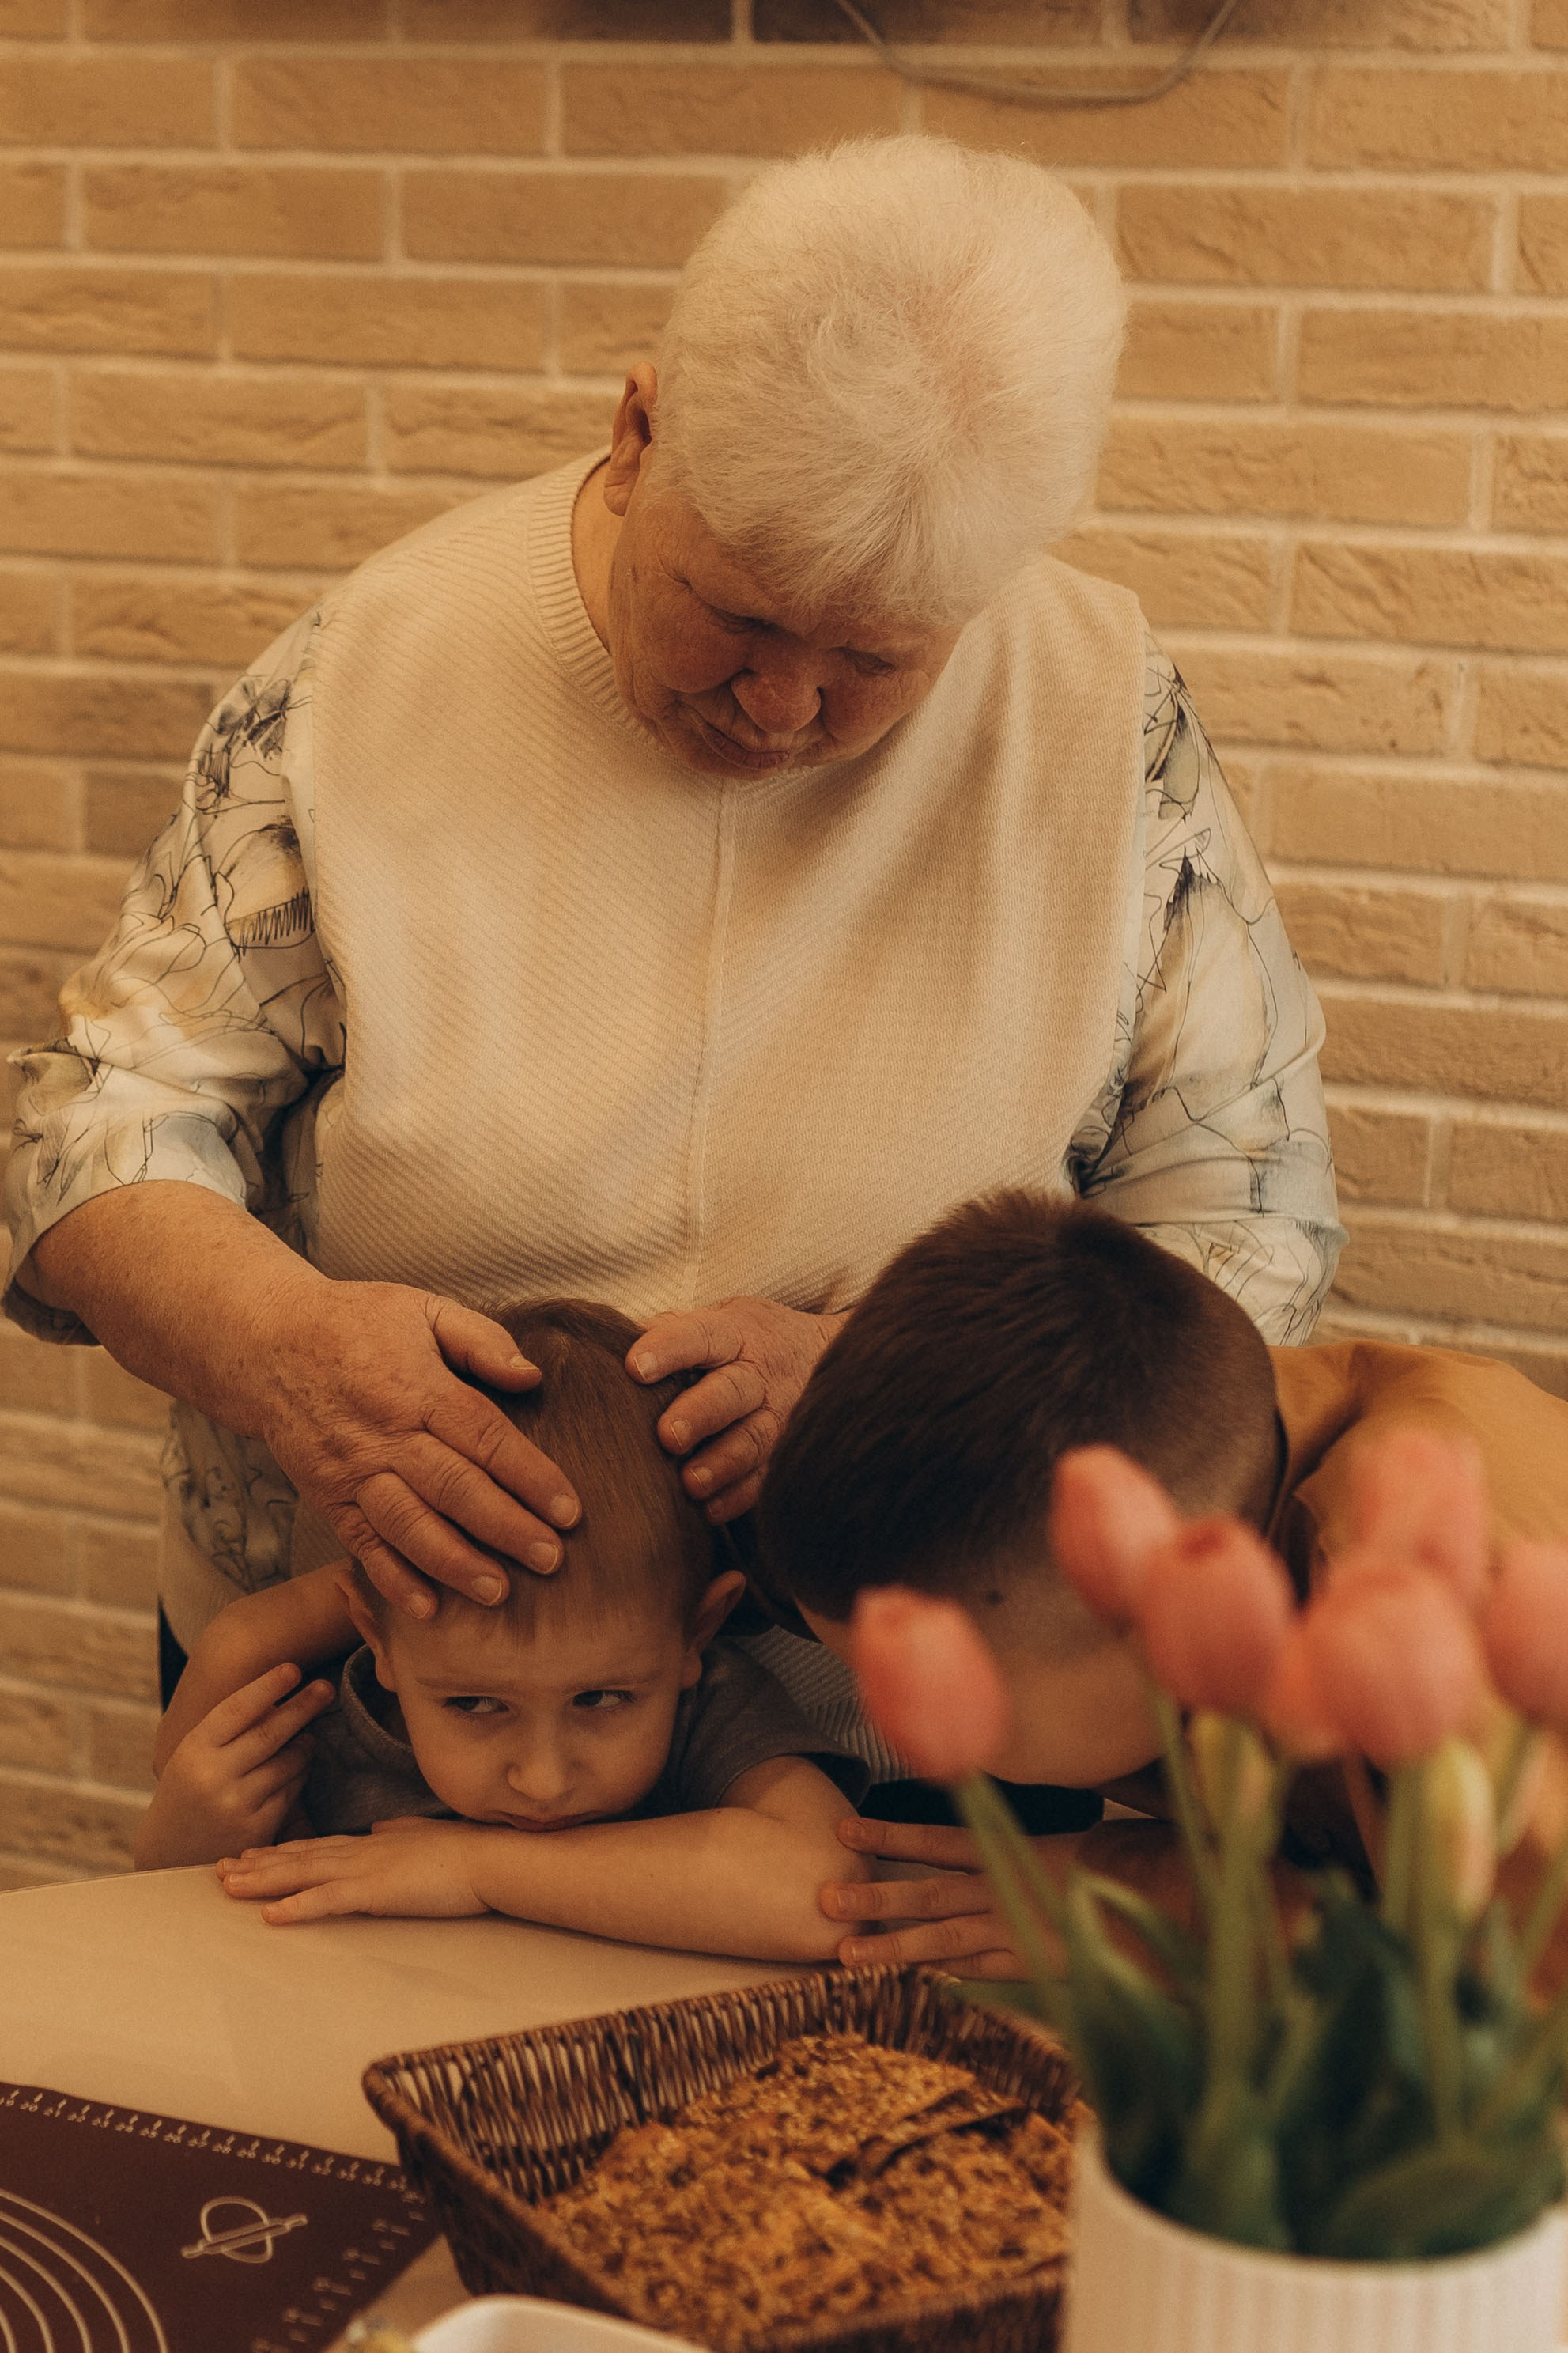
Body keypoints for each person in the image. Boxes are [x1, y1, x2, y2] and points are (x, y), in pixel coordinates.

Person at [4, 138, 1341, 1789]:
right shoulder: (366, 668)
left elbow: (1245, 1212)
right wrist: (284, 1347)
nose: (780, 709)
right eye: (737, 613)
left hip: (911, 1721)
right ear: (638, 432)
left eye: (873, 658)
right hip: (409, 1689)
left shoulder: (1105, 718)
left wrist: (922, 1401)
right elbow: (96, 1123)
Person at [754, 1190, 1568, 1972]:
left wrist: (1193, 1909)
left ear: (1141, 1620)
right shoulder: (1190, 1431)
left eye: (914, 1680)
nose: (893, 1720)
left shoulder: (1433, 1614)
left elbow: (1508, 2015)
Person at [138, 1301, 870, 1963]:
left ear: (696, 1634)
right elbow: (168, 1952)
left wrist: (474, 1865)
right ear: (379, 1642)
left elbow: (820, 1897)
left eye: (602, 1699)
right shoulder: (319, 1732)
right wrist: (184, 1837)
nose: (543, 1781)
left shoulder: (705, 1714)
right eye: (475, 1705)